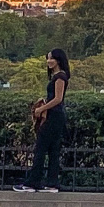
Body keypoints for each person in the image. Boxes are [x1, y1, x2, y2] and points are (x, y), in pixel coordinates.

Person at [16, 49, 70, 193]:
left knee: (40, 148)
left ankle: (33, 182)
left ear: (58, 60)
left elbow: (58, 99)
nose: (48, 61)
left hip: (53, 116)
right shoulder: (59, 76)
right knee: (53, 149)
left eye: (51, 58)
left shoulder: (60, 77)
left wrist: (41, 109)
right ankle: (52, 182)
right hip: (57, 116)